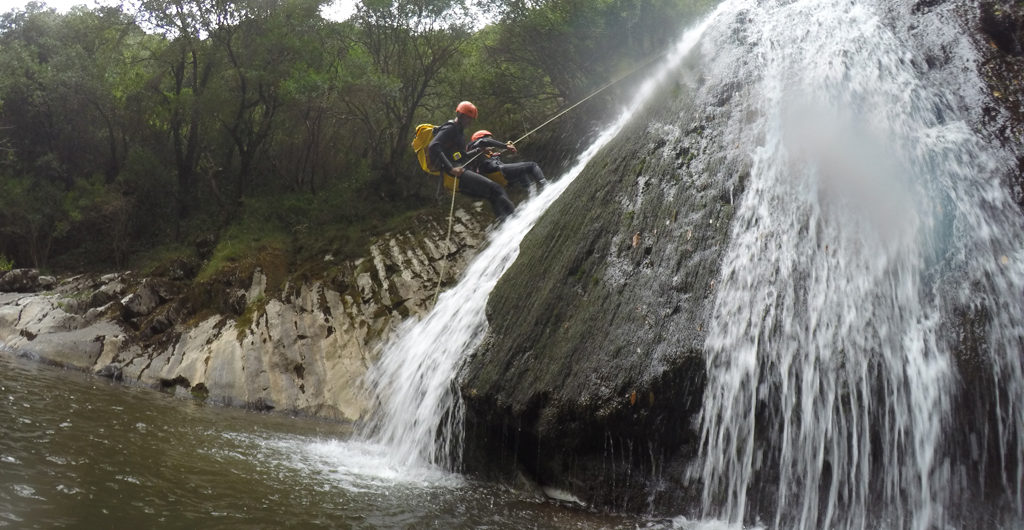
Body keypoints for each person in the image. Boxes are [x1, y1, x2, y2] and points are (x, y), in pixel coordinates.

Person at [427, 101, 515, 219]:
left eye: (471, 119)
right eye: (467, 118)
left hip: (458, 172)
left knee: (492, 194)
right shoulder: (450, 128)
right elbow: (433, 145)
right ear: (460, 115)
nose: (469, 121)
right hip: (455, 173)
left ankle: (506, 224)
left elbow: (463, 156)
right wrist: (451, 168)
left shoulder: (460, 134)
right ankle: (516, 218)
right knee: (497, 188)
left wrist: (479, 151)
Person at [466, 130, 548, 190]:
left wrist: (495, 155)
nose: (491, 144)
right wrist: (506, 146)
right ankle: (545, 186)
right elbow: (484, 142)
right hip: (499, 171)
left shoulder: (486, 155)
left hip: (501, 176)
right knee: (532, 165)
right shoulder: (475, 146)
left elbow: (487, 153)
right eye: (489, 139)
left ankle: (532, 195)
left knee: (521, 173)